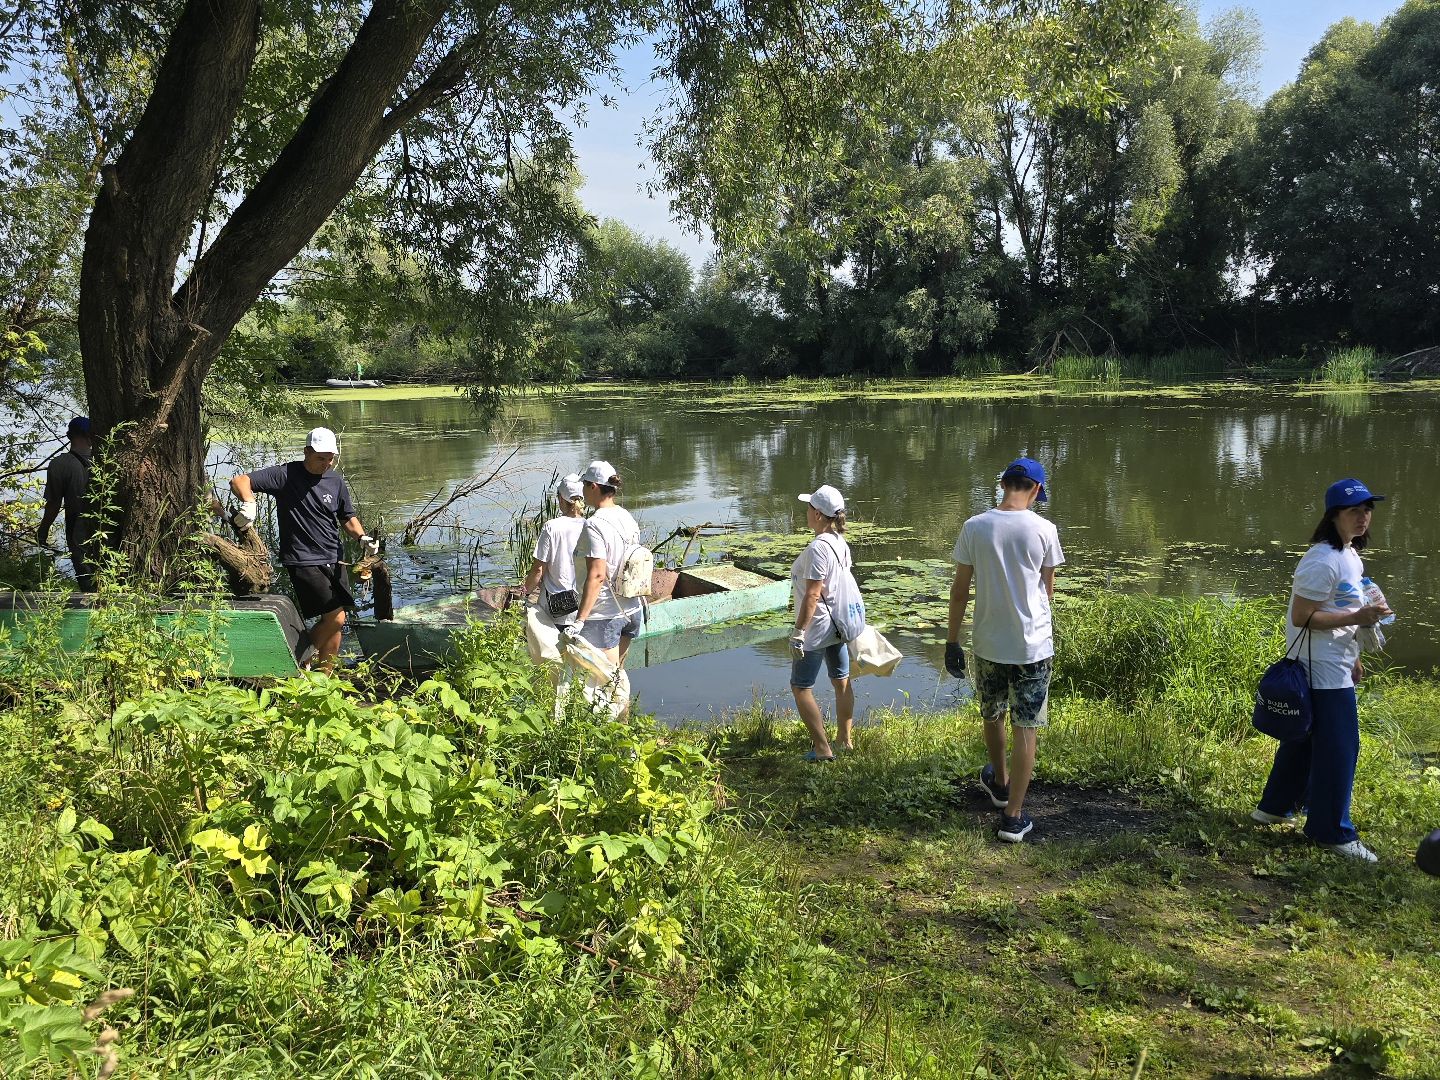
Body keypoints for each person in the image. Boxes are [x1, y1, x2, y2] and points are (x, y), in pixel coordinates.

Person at [1251, 478, 1391, 862]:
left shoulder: (1349, 555)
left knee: (1304, 739)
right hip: (1320, 668)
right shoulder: (1321, 559)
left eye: (1367, 509)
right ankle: (1331, 831)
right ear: (1333, 516)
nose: (1363, 517)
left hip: (1337, 662)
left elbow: (1344, 613)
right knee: (1340, 749)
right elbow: (1303, 616)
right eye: (1354, 510)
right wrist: (1359, 614)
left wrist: (1356, 655)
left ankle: (1274, 807)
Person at [946, 457, 1064, 843]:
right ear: (1034, 489)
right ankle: (1013, 816)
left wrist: (952, 641)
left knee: (992, 713)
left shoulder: (974, 527)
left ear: (1003, 484)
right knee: (1026, 726)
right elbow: (1047, 591)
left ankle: (999, 782)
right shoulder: (1045, 529)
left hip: (988, 642)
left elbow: (960, 590)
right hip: (1032, 645)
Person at [229, 427, 377, 669]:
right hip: (303, 558)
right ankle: (299, 661)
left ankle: (323, 680)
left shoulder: (335, 480)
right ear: (307, 451)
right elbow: (240, 481)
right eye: (321, 458)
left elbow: (347, 517)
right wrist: (249, 502)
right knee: (335, 617)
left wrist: (362, 538)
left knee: (337, 621)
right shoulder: (285, 474)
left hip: (334, 557)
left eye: (331, 458)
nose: (326, 463)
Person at [789, 484, 855, 762]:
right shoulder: (840, 542)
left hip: (817, 626)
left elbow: (814, 594)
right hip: (838, 624)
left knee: (801, 687)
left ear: (817, 514)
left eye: (808, 508)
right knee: (841, 680)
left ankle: (822, 748)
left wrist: (798, 632)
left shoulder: (818, 548)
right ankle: (845, 740)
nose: (806, 512)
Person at [568, 460, 645, 667]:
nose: (582, 490)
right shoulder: (626, 516)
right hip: (632, 609)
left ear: (593, 486)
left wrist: (580, 620)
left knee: (606, 685)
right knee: (617, 678)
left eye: (584, 484)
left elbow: (598, 575)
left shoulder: (595, 524)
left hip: (605, 614)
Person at [37, 415, 97, 590]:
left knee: (87, 579)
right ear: (90, 435)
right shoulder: (106, 458)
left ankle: (93, 611)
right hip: (111, 526)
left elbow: (54, 504)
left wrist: (43, 531)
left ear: (70, 436)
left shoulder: (60, 463)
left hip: (78, 529)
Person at [523, 473, 587, 626]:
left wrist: (523, 595)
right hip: (584, 608)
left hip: (557, 608)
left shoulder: (552, 527)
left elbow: (538, 570)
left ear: (561, 498)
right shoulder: (589, 526)